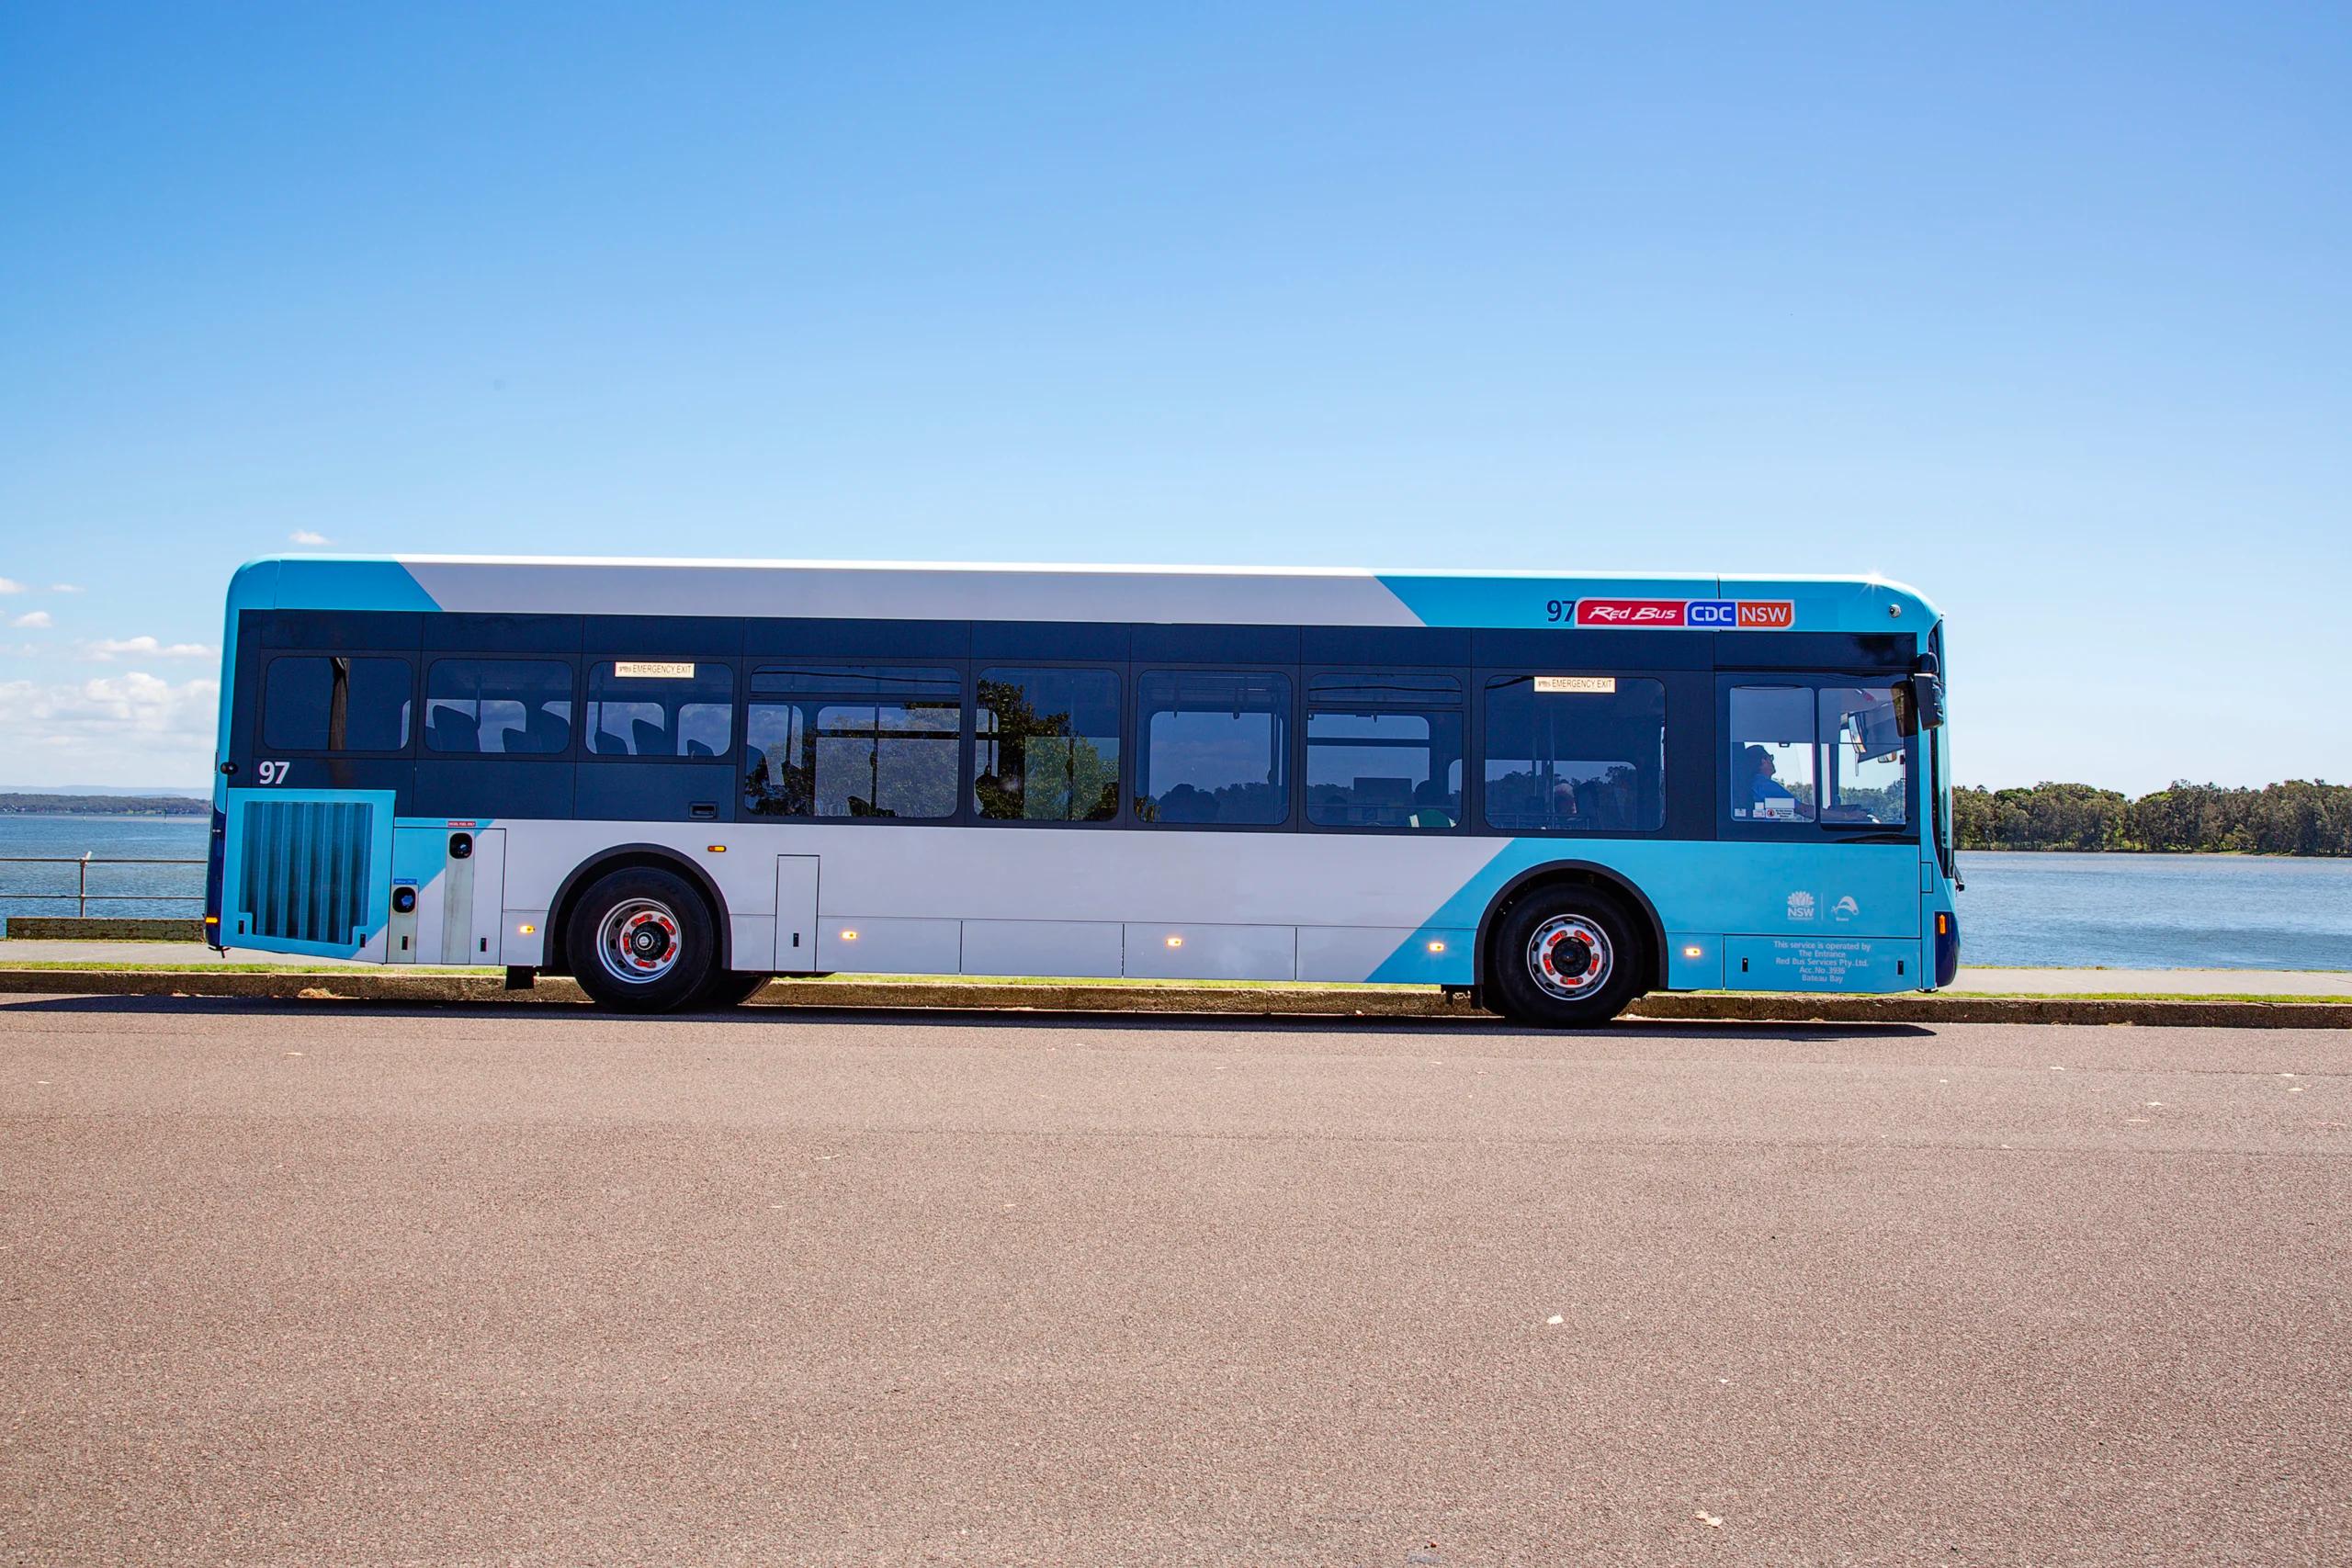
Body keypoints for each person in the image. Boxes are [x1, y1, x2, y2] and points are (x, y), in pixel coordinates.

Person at [1744, 744, 1805, 817]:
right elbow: (1803, 810)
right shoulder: (1765, 786)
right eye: (1770, 758)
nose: (1772, 761)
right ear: (1763, 761)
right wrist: (1821, 815)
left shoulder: (1753, 783)